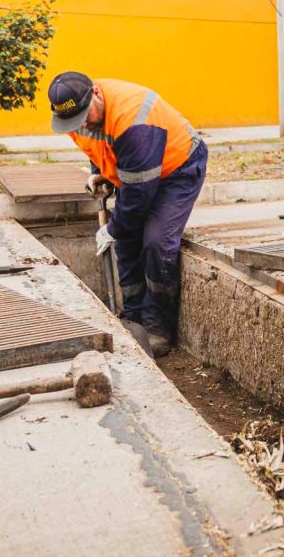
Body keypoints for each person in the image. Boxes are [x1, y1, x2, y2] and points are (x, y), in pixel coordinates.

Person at [48, 72, 207, 357]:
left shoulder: (134, 120)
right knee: (127, 242)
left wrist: (113, 228)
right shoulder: (75, 114)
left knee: (156, 242)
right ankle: (132, 318)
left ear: (95, 93)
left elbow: (137, 197)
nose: (81, 124)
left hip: (178, 168)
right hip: (136, 173)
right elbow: (95, 145)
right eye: (74, 121)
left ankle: (158, 327)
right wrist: (98, 172)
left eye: (84, 116)